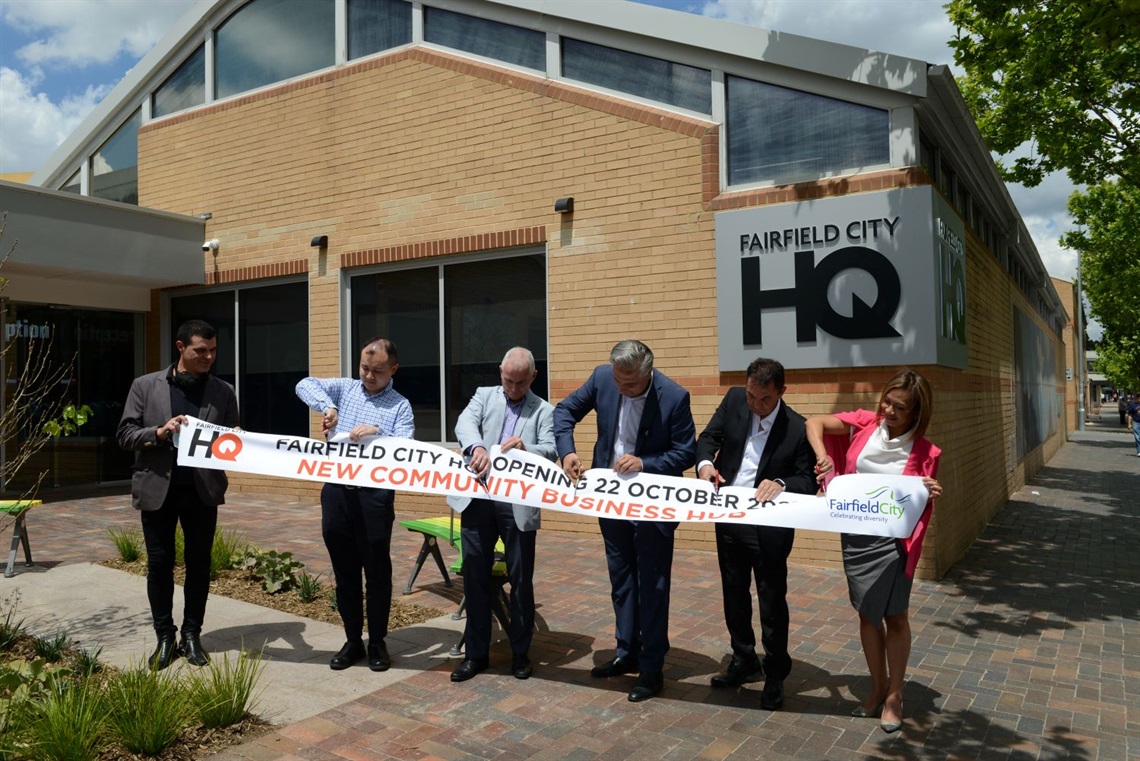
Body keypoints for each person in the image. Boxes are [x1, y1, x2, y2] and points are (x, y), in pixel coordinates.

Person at [554, 339, 696, 702]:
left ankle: (651, 669)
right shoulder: (603, 378)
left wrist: (644, 463)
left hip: (654, 507)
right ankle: (625, 650)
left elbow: (685, 452)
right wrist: (567, 451)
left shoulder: (674, 396)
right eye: (619, 381)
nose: (622, 388)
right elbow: (564, 411)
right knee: (621, 580)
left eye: (630, 383)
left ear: (648, 372)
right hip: (610, 500)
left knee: (652, 584)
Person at [804, 369, 943, 734]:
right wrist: (825, 460)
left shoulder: (925, 451)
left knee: (895, 616)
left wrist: (926, 489)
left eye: (900, 408)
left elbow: (919, 496)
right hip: (856, 536)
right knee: (867, 614)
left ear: (916, 413)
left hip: (894, 543)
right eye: (888, 401)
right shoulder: (866, 424)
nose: (890, 411)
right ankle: (877, 685)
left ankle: (895, 695)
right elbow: (814, 423)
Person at [117, 319, 240, 670]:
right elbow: (125, 435)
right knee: (159, 565)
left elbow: (230, 435)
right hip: (158, 489)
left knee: (199, 565)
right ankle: (165, 637)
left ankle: (191, 634)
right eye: (201, 350)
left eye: (213, 350)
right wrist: (159, 431)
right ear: (180, 347)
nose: (209, 357)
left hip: (202, 491)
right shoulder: (145, 386)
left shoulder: (222, 391)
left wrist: (237, 437)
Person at [695, 357, 816, 711]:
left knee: (771, 601)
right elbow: (707, 439)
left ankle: (775, 673)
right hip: (729, 518)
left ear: (781, 392)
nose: (756, 405)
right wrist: (705, 466)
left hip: (769, 528)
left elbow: (807, 480)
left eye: (764, 399)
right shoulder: (734, 400)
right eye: (751, 397)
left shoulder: (797, 427)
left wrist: (780, 483)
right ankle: (743, 659)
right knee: (733, 593)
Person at [295, 337, 414, 672]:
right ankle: (351, 640)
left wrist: (378, 432)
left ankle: (377, 641)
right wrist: (327, 407)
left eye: (377, 371)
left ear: (393, 369)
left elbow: (407, 450)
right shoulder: (345, 390)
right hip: (337, 493)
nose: (369, 376)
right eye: (364, 368)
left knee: (376, 569)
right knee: (344, 569)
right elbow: (304, 384)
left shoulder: (400, 406)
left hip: (374, 497)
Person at [449, 347, 556, 683]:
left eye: (520, 383)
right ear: (500, 373)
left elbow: (551, 449)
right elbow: (463, 423)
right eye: (508, 380)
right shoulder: (484, 396)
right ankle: (475, 655)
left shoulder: (544, 410)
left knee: (521, 582)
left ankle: (521, 654)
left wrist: (528, 449)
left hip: (517, 505)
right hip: (478, 498)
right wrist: (476, 447)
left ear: (533, 377)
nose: (513, 388)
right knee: (475, 577)